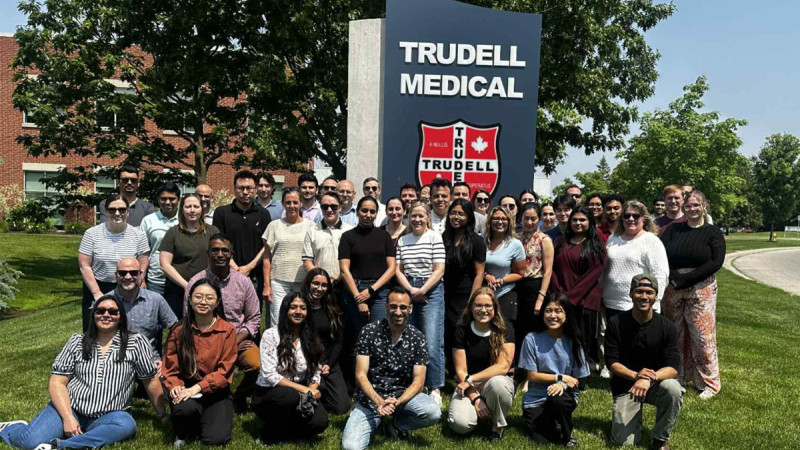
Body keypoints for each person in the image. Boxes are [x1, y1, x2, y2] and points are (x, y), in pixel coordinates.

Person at [0, 296, 167, 450]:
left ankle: (59, 446)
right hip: (71, 408)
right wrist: (68, 418)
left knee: (126, 425)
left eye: (113, 311)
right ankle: (11, 429)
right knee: (30, 442)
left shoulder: (136, 342)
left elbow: (149, 380)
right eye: (100, 311)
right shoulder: (77, 341)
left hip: (111, 415)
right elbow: (57, 382)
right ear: (93, 315)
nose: (106, 315)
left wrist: (162, 415)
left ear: (120, 316)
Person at [341, 288, 441, 450]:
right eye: (393, 306)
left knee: (432, 412)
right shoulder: (368, 332)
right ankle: (375, 421)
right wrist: (379, 401)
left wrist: (397, 402)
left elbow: (419, 381)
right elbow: (360, 374)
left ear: (410, 309)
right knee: (351, 447)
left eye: (403, 307)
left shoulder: (418, 338)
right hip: (370, 400)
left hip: (402, 397)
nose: (398, 311)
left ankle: (397, 425)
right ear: (386, 307)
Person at [605, 274, 684, 449]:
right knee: (622, 442)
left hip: (655, 384)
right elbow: (611, 362)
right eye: (639, 291)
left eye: (649, 292)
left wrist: (648, 378)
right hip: (626, 386)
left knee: (673, 389)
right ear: (631, 294)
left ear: (656, 296)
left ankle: (660, 440)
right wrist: (636, 375)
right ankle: (633, 418)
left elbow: (673, 367)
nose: (644, 296)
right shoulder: (615, 323)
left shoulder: (667, 327)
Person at [660, 190, 725, 399]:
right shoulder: (673, 230)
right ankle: (677, 376)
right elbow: (661, 255)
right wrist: (673, 277)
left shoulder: (712, 232)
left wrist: (688, 279)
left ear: (704, 206)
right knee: (674, 334)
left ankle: (708, 382)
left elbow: (716, 262)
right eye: (688, 206)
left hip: (701, 288)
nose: (692, 209)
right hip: (673, 287)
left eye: (696, 205)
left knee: (702, 337)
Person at [185, 233, 262, 409]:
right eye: (215, 250)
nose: (220, 254)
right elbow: (188, 319)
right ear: (208, 253)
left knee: (258, 364)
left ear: (231, 254)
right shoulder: (195, 282)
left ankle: (240, 396)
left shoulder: (243, 282)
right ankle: (209, 397)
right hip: (205, 340)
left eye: (225, 250)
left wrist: (235, 341)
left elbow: (254, 318)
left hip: (238, 339)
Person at [162, 279, 237, 446]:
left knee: (216, 439)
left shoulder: (227, 331)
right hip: (186, 387)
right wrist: (175, 386)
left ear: (217, 302)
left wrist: (198, 388)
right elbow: (170, 367)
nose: (203, 301)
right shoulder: (179, 330)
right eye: (198, 297)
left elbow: (224, 372)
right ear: (189, 299)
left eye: (209, 298)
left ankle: (209, 418)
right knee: (184, 409)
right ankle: (183, 430)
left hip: (216, 392)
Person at [251, 292, 330, 444]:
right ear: (285, 310)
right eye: (293, 307)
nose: (298, 312)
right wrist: (304, 390)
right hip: (269, 394)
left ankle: (289, 427)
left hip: (300, 392)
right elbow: (270, 375)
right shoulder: (271, 335)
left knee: (319, 422)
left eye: (303, 308)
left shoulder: (310, 337)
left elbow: (315, 371)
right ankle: (269, 435)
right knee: (288, 396)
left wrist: (312, 389)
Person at [518, 293, 590, 447]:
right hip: (536, 399)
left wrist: (562, 385)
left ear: (567, 315)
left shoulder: (575, 341)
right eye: (548, 311)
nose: (553, 315)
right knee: (542, 439)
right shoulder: (531, 339)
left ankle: (568, 435)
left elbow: (580, 381)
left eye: (558, 311)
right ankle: (552, 423)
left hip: (564, 395)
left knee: (557, 397)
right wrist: (560, 378)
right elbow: (532, 376)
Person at [395, 202, 446, 405]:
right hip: (409, 289)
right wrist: (411, 291)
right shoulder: (403, 240)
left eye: (421, 216)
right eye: (413, 216)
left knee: (432, 341)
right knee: (410, 341)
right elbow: (398, 269)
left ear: (427, 218)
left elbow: (439, 269)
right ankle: (417, 383)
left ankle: (435, 386)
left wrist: (422, 290)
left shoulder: (435, 237)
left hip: (431, 290)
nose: (416, 219)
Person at [447, 288, 515, 440]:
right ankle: (475, 415)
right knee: (460, 425)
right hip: (468, 387)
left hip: (495, 383)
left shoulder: (505, 329)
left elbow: (503, 366)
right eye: (478, 305)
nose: (483, 310)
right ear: (471, 308)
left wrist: (470, 379)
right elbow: (461, 371)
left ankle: (496, 429)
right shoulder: (461, 331)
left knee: (499, 383)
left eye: (488, 306)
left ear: (495, 308)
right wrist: (475, 398)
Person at [79, 195, 150, 330]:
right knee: (93, 331)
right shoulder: (91, 234)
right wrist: (97, 293)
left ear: (128, 212)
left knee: (127, 330)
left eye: (122, 210)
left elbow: (143, 262)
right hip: (99, 285)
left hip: (128, 287)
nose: (117, 213)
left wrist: (140, 281)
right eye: (112, 210)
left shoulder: (139, 235)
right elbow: (85, 265)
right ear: (106, 212)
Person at [550, 206, 607, 372]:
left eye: (582, 220)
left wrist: (571, 298)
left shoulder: (597, 245)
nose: (578, 223)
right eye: (574, 220)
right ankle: (561, 368)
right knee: (562, 336)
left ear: (590, 222)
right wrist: (560, 294)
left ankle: (581, 371)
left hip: (585, 301)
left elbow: (592, 275)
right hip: (560, 298)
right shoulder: (560, 242)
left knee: (583, 338)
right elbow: (551, 268)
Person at [339, 196, 397, 334]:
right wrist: (358, 298)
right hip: (355, 290)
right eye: (364, 211)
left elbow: (392, 268)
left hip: (380, 292)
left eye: (372, 211)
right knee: (358, 336)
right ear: (358, 212)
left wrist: (371, 290)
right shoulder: (348, 237)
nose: (368, 215)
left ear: (377, 214)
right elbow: (344, 270)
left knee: (379, 335)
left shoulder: (385, 236)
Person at [442, 198, 486, 374]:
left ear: (468, 217)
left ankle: (466, 371)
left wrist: (472, 301)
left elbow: (479, 273)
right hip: (445, 293)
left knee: (462, 331)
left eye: (461, 213)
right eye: (453, 213)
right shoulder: (444, 237)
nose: (456, 217)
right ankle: (451, 371)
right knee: (447, 331)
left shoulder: (476, 241)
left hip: (466, 294)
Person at [603, 200, 669, 318]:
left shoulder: (651, 241)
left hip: (639, 306)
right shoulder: (612, 239)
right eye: (627, 216)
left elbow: (661, 275)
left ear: (643, 218)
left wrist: (651, 301)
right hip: (611, 303)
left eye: (636, 216)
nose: (631, 219)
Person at [212, 170, 272, 298]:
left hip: (255, 276)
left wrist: (249, 267)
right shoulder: (222, 213)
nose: (245, 192)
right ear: (234, 189)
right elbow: (218, 244)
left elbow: (266, 245)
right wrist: (236, 268)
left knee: (253, 315)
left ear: (255, 189)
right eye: (241, 188)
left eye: (249, 188)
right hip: (226, 273)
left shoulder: (263, 214)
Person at [108, 257, 177, 366]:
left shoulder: (156, 300)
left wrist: (167, 358)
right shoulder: (105, 302)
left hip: (149, 360)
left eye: (133, 273)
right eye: (122, 273)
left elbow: (176, 329)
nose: (128, 277)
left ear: (141, 274)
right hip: (115, 361)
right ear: (116, 275)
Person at [159, 193, 220, 316]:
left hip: (206, 289)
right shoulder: (173, 233)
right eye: (188, 206)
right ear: (182, 209)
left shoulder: (213, 231)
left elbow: (220, 257)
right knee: (178, 328)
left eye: (196, 206)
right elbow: (164, 264)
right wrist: (187, 285)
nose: (192, 210)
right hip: (177, 290)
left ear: (202, 209)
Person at [261, 188, 315, 326]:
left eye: (295, 202)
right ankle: (278, 346)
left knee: (301, 318)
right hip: (278, 281)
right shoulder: (274, 226)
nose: (292, 206)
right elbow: (267, 257)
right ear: (283, 204)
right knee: (278, 319)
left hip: (302, 281)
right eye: (288, 202)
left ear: (301, 203)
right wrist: (267, 285)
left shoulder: (311, 226)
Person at [302, 268, 350, 414]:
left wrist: (329, 364)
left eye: (324, 285)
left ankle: (321, 393)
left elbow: (338, 341)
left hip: (328, 362)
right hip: (305, 361)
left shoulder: (332, 308)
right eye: (315, 283)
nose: (319, 288)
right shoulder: (299, 307)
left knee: (341, 407)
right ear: (308, 284)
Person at [515, 203, 554, 376]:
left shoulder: (544, 240)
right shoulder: (515, 238)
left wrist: (541, 297)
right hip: (516, 287)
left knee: (533, 331)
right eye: (526, 218)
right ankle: (518, 370)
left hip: (535, 287)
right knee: (518, 329)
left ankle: (533, 373)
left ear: (538, 219)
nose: (529, 222)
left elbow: (548, 271)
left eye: (533, 218)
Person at [483, 205, 526, 337]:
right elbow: (473, 266)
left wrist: (501, 281)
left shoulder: (515, 244)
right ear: (490, 221)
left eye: (504, 219)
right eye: (496, 218)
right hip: (483, 293)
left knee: (504, 331)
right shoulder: (480, 240)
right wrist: (486, 276)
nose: (500, 222)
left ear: (509, 222)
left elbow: (520, 273)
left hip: (505, 293)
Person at [140, 182, 181, 295]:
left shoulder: (185, 220)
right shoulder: (148, 220)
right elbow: (143, 252)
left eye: (172, 199)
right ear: (158, 200)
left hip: (180, 278)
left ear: (178, 199)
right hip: (156, 280)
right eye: (163, 199)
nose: (167, 202)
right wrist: (142, 279)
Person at [302, 192, 354, 282]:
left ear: (340, 207)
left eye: (333, 206)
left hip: (345, 284)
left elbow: (354, 260)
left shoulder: (350, 231)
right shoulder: (312, 231)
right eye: (325, 206)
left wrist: (339, 279)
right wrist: (323, 280)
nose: (329, 210)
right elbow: (307, 262)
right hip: (320, 286)